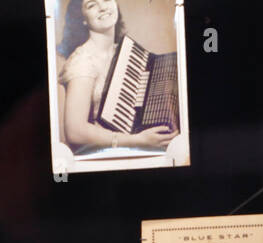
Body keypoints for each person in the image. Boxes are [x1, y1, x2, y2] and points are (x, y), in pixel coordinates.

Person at [58, 0, 176, 151]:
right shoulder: (82, 61)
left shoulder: (122, 51)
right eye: (91, 5)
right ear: (82, 18)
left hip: (129, 147)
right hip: (98, 155)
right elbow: (75, 131)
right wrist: (137, 140)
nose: (102, 7)